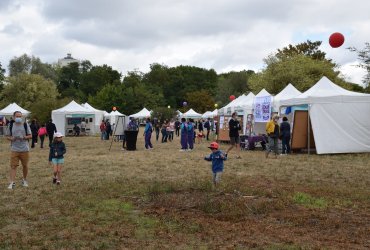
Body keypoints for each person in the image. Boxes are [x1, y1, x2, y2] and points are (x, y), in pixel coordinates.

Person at [6, 111, 32, 189]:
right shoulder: (10, 125)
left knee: (25, 165)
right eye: (17, 116)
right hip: (14, 149)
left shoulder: (25, 124)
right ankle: (12, 182)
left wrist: (24, 137)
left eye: (20, 116)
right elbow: (7, 136)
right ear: (13, 117)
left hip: (24, 149)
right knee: (13, 166)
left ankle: (24, 180)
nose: (18, 118)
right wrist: (12, 138)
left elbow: (30, 135)